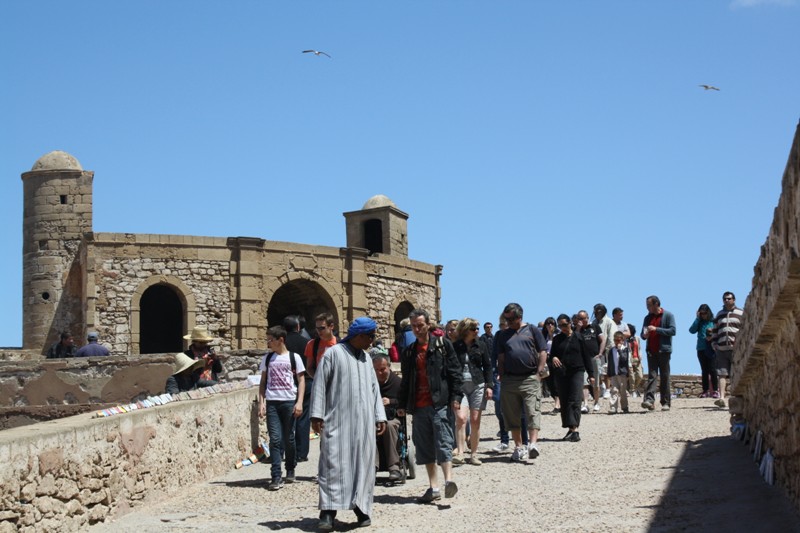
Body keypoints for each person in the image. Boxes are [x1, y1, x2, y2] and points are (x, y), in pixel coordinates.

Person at [310, 317, 387, 530]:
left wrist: (379, 416)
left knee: (363, 466)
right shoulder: (333, 354)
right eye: (370, 337)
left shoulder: (366, 359)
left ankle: (361, 508)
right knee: (333, 466)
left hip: (363, 425)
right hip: (337, 422)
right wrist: (316, 415)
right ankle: (327, 512)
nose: (372, 341)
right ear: (359, 336)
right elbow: (319, 385)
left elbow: (374, 390)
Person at [397, 308, 462, 503]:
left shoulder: (443, 345)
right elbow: (406, 380)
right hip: (418, 406)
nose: (417, 329)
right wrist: (401, 404)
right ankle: (434, 487)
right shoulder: (409, 352)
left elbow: (455, 372)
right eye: (414, 326)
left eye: (420, 325)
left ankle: (449, 481)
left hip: (439, 403)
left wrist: (456, 397)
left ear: (428, 325)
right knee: (424, 448)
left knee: (443, 441)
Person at [495, 303, 548, 463]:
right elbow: (501, 357)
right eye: (506, 318)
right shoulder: (502, 335)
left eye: (510, 319)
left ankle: (533, 444)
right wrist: (501, 375)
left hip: (530, 378)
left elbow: (543, 351)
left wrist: (539, 372)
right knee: (511, 415)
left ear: (519, 317)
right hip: (509, 380)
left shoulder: (532, 330)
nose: (508, 321)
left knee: (533, 411)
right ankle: (519, 447)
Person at [258, 326, 306, 491]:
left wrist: (299, 402)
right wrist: (261, 402)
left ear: (281, 340)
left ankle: (290, 466)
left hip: (289, 401)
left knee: (289, 439)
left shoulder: (294, 358)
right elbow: (263, 382)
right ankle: (276, 475)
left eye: (271, 340)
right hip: (272, 402)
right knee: (275, 439)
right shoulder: (268, 358)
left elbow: (301, 381)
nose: (268, 343)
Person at [451, 318, 493, 466]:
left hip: (478, 384)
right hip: (460, 387)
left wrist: (489, 386)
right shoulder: (455, 346)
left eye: (477, 328)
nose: (477, 331)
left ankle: (474, 454)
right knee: (461, 418)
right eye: (473, 328)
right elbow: (450, 367)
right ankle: (461, 453)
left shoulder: (481, 345)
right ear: (465, 330)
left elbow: (488, 366)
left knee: (475, 420)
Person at [550, 314, 594, 442]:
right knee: (564, 400)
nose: (563, 327)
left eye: (565, 324)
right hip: (561, 373)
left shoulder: (579, 338)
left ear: (570, 323)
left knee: (574, 399)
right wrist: (553, 357)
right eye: (560, 325)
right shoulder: (557, 339)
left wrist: (591, 375)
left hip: (577, 371)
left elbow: (587, 357)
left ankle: (575, 429)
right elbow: (552, 355)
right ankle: (570, 428)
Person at [300, 313, 337, 462]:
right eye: (317, 329)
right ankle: (326, 464)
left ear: (331, 326)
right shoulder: (312, 345)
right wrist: (319, 380)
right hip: (322, 392)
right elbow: (309, 367)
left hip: (338, 391)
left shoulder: (340, 344)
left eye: (322, 328)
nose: (319, 332)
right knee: (324, 429)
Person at [641, 296, 677, 411]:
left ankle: (665, 402)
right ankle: (649, 401)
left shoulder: (668, 315)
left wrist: (656, 329)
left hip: (664, 351)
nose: (647, 307)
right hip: (651, 351)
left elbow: (672, 331)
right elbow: (643, 334)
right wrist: (644, 335)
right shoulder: (647, 318)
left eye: (649, 305)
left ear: (656, 304)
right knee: (652, 376)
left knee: (665, 376)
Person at [372, 352, 403, 481]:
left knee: (389, 426)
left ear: (389, 367)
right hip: (374, 418)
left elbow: (404, 402)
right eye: (377, 370)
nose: (380, 373)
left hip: (392, 417)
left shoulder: (398, 383)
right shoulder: (370, 383)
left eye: (383, 369)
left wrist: (391, 402)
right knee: (368, 428)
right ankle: (372, 466)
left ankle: (394, 467)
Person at [711, 291, 744, 408]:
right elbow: (714, 330)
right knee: (722, 373)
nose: (726, 300)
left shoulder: (741, 313)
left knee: (736, 373)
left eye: (729, 299)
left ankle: (736, 396)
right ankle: (721, 398)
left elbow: (744, 330)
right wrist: (714, 344)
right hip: (721, 348)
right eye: (724, 299)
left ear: (734, 300)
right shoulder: (719, 314)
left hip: (736, 349)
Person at [576, 310, 603, 413]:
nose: (582, 320)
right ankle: (585, 404)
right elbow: (574, 340)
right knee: (584, 383)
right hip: (582, 359)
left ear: (587, 318)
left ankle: (596, 402)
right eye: (580, 318)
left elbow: (602, 340)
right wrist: (578, 329)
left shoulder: (595, 327)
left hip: (594, 358)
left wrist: (600, 353)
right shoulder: (577, 330)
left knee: (595, 382)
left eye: (584, 318)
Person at [689, 304, 718, 398]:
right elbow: (691, 330)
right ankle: (705, 390)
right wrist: (697, 319)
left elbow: (718, 333)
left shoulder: (713, 321)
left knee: (713, 369)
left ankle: (715, 390)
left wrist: (712, 337)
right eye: (701, 313)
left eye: (705, 313)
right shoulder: (699, 322)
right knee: (704, 370)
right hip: (701, 348)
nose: (703, 315)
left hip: (712, 348)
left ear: (708, 312)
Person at [592, 304, 616, 405]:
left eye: (600, 310)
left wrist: (609, 349)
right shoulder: (593, 322)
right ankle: (601, 388)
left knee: (606, 371)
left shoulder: (609, 321)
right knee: (597, 371)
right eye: (596, 310)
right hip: (596, 350)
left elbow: (611, 335)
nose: (598, 312)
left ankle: (607, 389)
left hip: (607, 350)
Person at [606, 331, 630, 414]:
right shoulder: (611, 350)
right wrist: (609, 373)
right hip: (614, 374)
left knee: (623, 391)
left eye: (619, 340)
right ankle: (613, 408)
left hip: (622, 373)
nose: (617, 342)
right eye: (615, 340)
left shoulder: (625, 349)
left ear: (622, 340)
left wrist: (620, 350)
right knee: (614, 390)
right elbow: (610, 362)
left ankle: (624, 407)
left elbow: (624, 359)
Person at [541, 317, 561, 413]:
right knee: (549, 383)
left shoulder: (559, 335)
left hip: (557, 360)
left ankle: (557, 405)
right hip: (547, 360)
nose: (550, 325)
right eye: (548, 323)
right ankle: (559, 402)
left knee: (557, 382)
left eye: (552, 323)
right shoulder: (543, 336)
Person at [627, 324, 644, 397]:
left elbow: (639, 348)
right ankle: (632, 390)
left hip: (637, 359)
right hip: (629, 359)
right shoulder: (625, 340)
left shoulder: (637, 338)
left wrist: (640, 355)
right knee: (631, 376)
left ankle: (635, 388)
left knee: (640, 376)